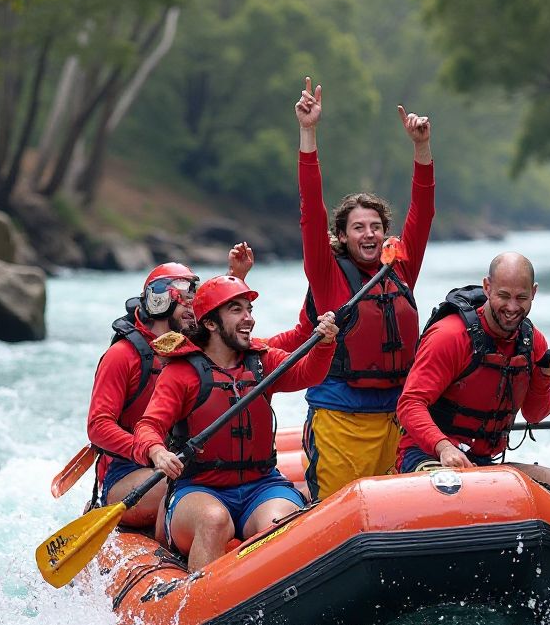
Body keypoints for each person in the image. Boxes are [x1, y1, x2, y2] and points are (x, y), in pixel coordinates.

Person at [269, 77, 435, 500]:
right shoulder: (326, 275)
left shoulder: (399, 269)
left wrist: (421, 149)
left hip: (395, 417)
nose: (370, 234)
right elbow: (311, 209)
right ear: (341, 236)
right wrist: (308, 133)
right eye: (358, 227)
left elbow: (424, 211)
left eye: (377, 227)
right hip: (339, 419)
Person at [133, 275, 339, 570]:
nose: (249, 319)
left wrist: (325, 344)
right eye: (237, 310)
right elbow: (148, 426)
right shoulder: (182, 373)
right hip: (199, 489)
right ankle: (199, 608)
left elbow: (308, 374)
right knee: (213, 520)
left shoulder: (261, 362)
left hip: (261, 485)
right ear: (211, 323)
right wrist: (157, 451)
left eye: (250, 310)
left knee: (281, 522)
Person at [395, 252, 550, 522]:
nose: (512, 307)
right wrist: (444, 447)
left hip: (482, 465)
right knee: (462, 501)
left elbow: (535, 415)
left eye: (521, 298)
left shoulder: (532, 341)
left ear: (534, 293)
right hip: (428, 455)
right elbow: (409, 405)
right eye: (503, 296)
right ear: (487, 287)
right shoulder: (449, 336)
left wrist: (544, 376)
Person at [85, 246, 253, 528]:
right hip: (128, 472)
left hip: (178, 461)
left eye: (195, 302)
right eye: (187, 302)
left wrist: (235, 276)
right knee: (190, 490)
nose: (194, 310)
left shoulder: (191, 349)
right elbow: (98, 426)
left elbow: (225, 329)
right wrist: (152, 452)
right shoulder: (122, 356)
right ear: (161, 301)